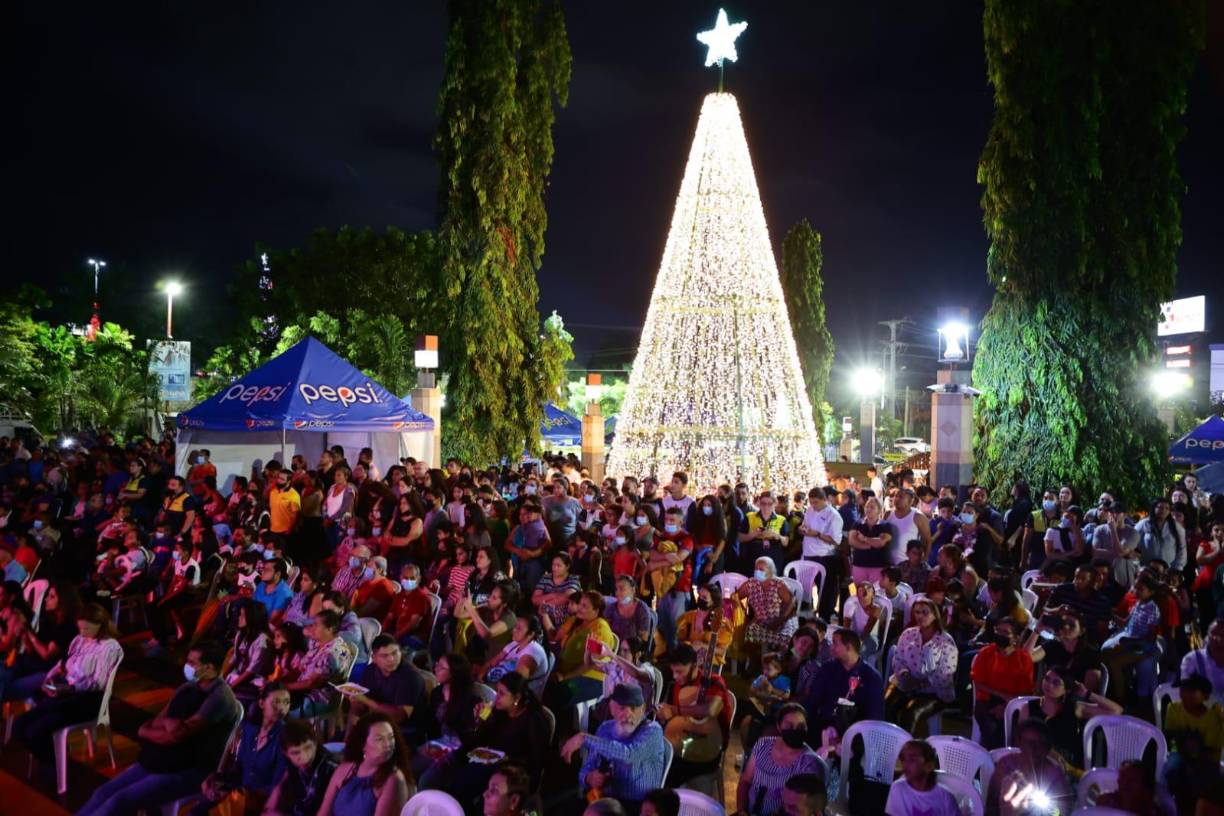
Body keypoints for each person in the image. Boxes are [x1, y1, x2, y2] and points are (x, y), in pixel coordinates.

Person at [76, 641, 243, 816]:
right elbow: (147, 728)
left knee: (119, 801)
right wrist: (168, 726)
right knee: (101, 793)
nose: (187, 666)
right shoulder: (187, 688)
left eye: (192, 663)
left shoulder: (220, 697)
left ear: (208, 667)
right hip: (162, 759)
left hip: (190, 771)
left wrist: (166, 730)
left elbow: (177, 735)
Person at [560, 683, 667, 811]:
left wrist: (585, 738)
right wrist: (589, 778)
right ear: (612, 709)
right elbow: (587, 767)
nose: (628, 714)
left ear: (643, 709)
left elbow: (629, 755)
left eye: (634, 708)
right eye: (622, 708)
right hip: (605, 799)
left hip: (637, 806)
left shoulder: (653, 731)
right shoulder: (606, 728)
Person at [189, 682, 291, 815]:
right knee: (196, 810)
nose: (282, 708)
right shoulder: (249, 730)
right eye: (276, 702)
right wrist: (217, 779)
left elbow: (277, 786)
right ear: (261, 704)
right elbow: (240, 769)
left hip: (261, 803)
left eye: (286, 702)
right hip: (238, 793)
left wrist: (237, 792)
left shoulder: (286, 738)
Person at [657, 644, 731, 784]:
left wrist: (674, 710)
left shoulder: (715, 681)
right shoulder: (679, 683)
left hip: (709, 746)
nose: (675, 676)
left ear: (695, 665)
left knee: (670, 773)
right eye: (673, 671)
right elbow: (678, 717)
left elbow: (711, 709)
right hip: (684, 740)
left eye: (679, 672)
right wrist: (664, 714)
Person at [317, 712, 413, 816]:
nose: (388, 744)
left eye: (391, 737)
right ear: (363, 744)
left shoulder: (393, 779)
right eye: (379, 739)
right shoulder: (346, 768)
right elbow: (323, 813)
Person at [736, 703, 824, 816]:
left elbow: (806, 807)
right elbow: (745, 781)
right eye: (789, 726)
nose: (795, 730)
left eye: (801, 727)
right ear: (779, 726)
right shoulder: (763, 744)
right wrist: (741, 811)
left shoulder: (808, 762)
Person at [885, 597, 958, 735]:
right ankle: (890, 742)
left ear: (935, 615)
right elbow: (898, 659)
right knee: (886, 705)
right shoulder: (908, 634)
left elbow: (946, 672)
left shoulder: (945, 641)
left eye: (925, 612)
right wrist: (905, 673)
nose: (920, 616)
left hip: (933, 692)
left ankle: (905, 749)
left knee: (910, 713)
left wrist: (922, 683)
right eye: (917, 612)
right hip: (906, 683)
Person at [1023, 666, 1121, 768]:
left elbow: (1116, 711)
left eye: (1056, 683)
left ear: (1066, 690)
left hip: (1067, 765)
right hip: (1036, 762)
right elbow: (1020, 740)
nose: (1049, 685)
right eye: (1047, 679)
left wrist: (1087, 694)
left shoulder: (1075, 708)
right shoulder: (1028, 707)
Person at [802, 628, 885, 742]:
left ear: (848, 647)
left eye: (835, 644)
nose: (831, 648)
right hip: (823, 727)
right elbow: (813, 700)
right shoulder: (828, 668)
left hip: (854, 733)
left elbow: (874, 716)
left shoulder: (871, 677)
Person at [970, 618, 1035, 749]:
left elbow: (1025, 690)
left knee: (1011, 727)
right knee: (991, 726)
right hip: (987, 699)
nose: (1000, 635)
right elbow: (978, 683)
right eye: (998, 631)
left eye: (1005, 632)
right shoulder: (986, 653)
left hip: (1014, 702)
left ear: (1015, 637)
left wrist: (1006, 705)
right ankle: (989, 761)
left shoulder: (1024, 659)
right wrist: (1001, 696)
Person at [986, 719, 1073, 816]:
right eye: (1029, 742)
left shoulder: (1054, 773)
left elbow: (1063, 810)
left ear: (1047, 748)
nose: (1034, 748)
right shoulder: (1006, 764)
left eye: (1041, 744)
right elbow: (991, 804)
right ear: (1019, 743)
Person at [1164, 673, 1224, 814]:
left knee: (1202, 779)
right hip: (1179, 751)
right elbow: (1171, 737)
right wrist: (1184, 746)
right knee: (1171, 771)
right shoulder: (1173, 708)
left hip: (1207, 759)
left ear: (1205, 697)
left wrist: (1193, 751)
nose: (1185, 694)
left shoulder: (1211, 718)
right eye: (1183, 689)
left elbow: (1208, 750)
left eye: (1192, 691)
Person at [548, 590, 616, 709]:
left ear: (596, 611)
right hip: (566, 672)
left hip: (590, 678)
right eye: (580, 604)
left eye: (584, 606)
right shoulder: (575, 621)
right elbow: (554, 639)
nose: (579, 608)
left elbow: (589, 664)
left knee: (561, 693)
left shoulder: (599, 629)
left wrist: (566, 677)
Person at [348, 635, 425, 736]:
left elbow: (399, 717)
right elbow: (361, 702)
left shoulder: (410, 677)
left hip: (406, 730)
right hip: (379, 722)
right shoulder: (370, 671)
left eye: (395, 653)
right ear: (374, 658)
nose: (391, 659)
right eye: (385, 656)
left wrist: (365, 700)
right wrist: (356, 703)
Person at [262, 719, 338, 816]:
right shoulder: (290, 764)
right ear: (286, 753)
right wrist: (269, 807)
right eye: (295, 752)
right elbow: (281, 784)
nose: (304, 757)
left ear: (315, 744)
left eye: (308, 747)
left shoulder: (330, 769)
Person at [286, 610, 353, 716]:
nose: (312, 628)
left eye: (316, 625)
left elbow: (312, 684)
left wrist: (285, 687)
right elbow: (301, 668)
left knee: (276, 706)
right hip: (300, 689)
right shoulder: (317, 641)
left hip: (317, 697)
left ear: (329, 629)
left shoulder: (333, 653)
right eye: (312, 624)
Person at [737, 556, 798, 651]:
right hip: (761, 622)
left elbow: (791, 602)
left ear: (770, 571)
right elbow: (735, 597)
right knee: (749, 633)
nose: (757, 572)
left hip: (781, 620)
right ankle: (757, 662)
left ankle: (779, 660)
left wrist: (780, 620)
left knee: (788, 638)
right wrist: (744, 614)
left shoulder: (778, 584)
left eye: (761, 569)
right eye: (756, 569)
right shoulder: (751, 584)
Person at [884, 740, 958, 816]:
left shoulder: (945, 796)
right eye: (903, 759)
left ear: (929, 766)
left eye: (912, 759)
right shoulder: (897, 788)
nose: (905, 764)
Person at [481, 613, 549, 694]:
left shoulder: (532, 654)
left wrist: (488, 686)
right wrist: (481, 674)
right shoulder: (516, 643)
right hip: (494, 680)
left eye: (519, 628)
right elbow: (495, 660)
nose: (514, 630)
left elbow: (515, 685)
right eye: (515, 626)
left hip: (506, 691)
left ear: (531, 634)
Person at [675, 582, 734, 668]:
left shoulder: (721, 622)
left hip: (709, 662)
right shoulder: (688, 616)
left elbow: (721, 651)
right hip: (688, 658)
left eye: (704, 597)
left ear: (713, 602)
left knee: (702, 653)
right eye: (699, 596)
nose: (700, 599)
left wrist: (703, 646)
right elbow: (680, 640)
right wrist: (689, 647)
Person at [384, 563, 433, 649]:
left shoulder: (422, 598)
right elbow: (389, 617)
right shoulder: (399, 595)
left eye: (412, 578)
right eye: (406, 578)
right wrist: (380, 631)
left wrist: (395, 637)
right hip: (398, 632)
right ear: (401, 577)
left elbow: (413, 624)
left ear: (419, 579)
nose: (409, 581)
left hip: (413, 636)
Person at [848, 497, 892, 584]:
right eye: (867, 507)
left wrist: (864, 539)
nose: (868, 509)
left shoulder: (885, 525)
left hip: (879, 566)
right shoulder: (857, 524)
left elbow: (881, 543)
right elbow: (851, 541)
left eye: (872, 507)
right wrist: (868, 546)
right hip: (859, 565)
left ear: (879, 510)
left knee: (877, 592)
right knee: (860, 592)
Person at [1182, 620, 1224, 705]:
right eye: (1213, 634)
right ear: (1207, 636)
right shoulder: (1192, 660)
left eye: (1222, 635)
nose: (1217, 639)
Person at [605, 573, 652, 647]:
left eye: (622, 589)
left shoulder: (641, 609)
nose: (617, 593)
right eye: (616, 589)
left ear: (633, 590)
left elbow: (644, 638)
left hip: (631, 651)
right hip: (613, 648)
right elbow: (605, 630)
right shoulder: (612, 608)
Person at [351, 555, 397, 620]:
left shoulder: (384, 587)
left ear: (380, 570)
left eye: (370, 567)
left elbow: (364, 612)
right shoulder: (366, 583)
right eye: (367, 566)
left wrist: (349, 616)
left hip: (368, 622)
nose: (366, 569)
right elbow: (354, 599)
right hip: (354, 615)